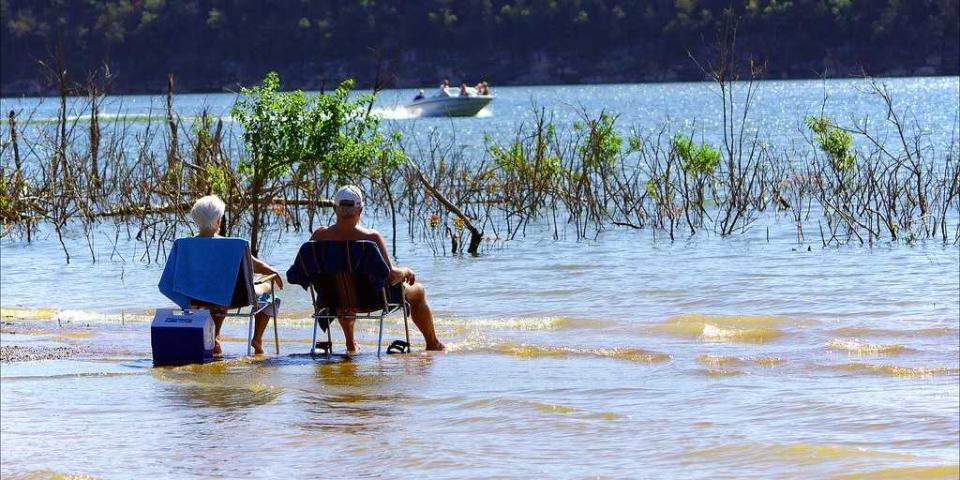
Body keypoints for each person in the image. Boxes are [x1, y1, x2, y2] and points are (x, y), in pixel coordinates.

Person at [309, 186, 444, 352]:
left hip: (332, 300)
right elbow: (392, 276)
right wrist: (406, 271)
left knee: (342, 289)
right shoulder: (370, 238)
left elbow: (308, 272)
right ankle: (432, 344)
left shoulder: (318, 237)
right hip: (372, 301)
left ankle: (350, 344)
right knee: (419, 291)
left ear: (335, 209)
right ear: (360, 209)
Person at [189, 195, 284, 355]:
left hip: (196, 297)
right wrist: (271, 271)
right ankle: (257, 339)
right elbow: (254, 264)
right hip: (233, 298)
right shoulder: (233, 245)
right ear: (219, 220)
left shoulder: (184, 245)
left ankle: (215, 338)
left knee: (216, 293)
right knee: (268, 289)